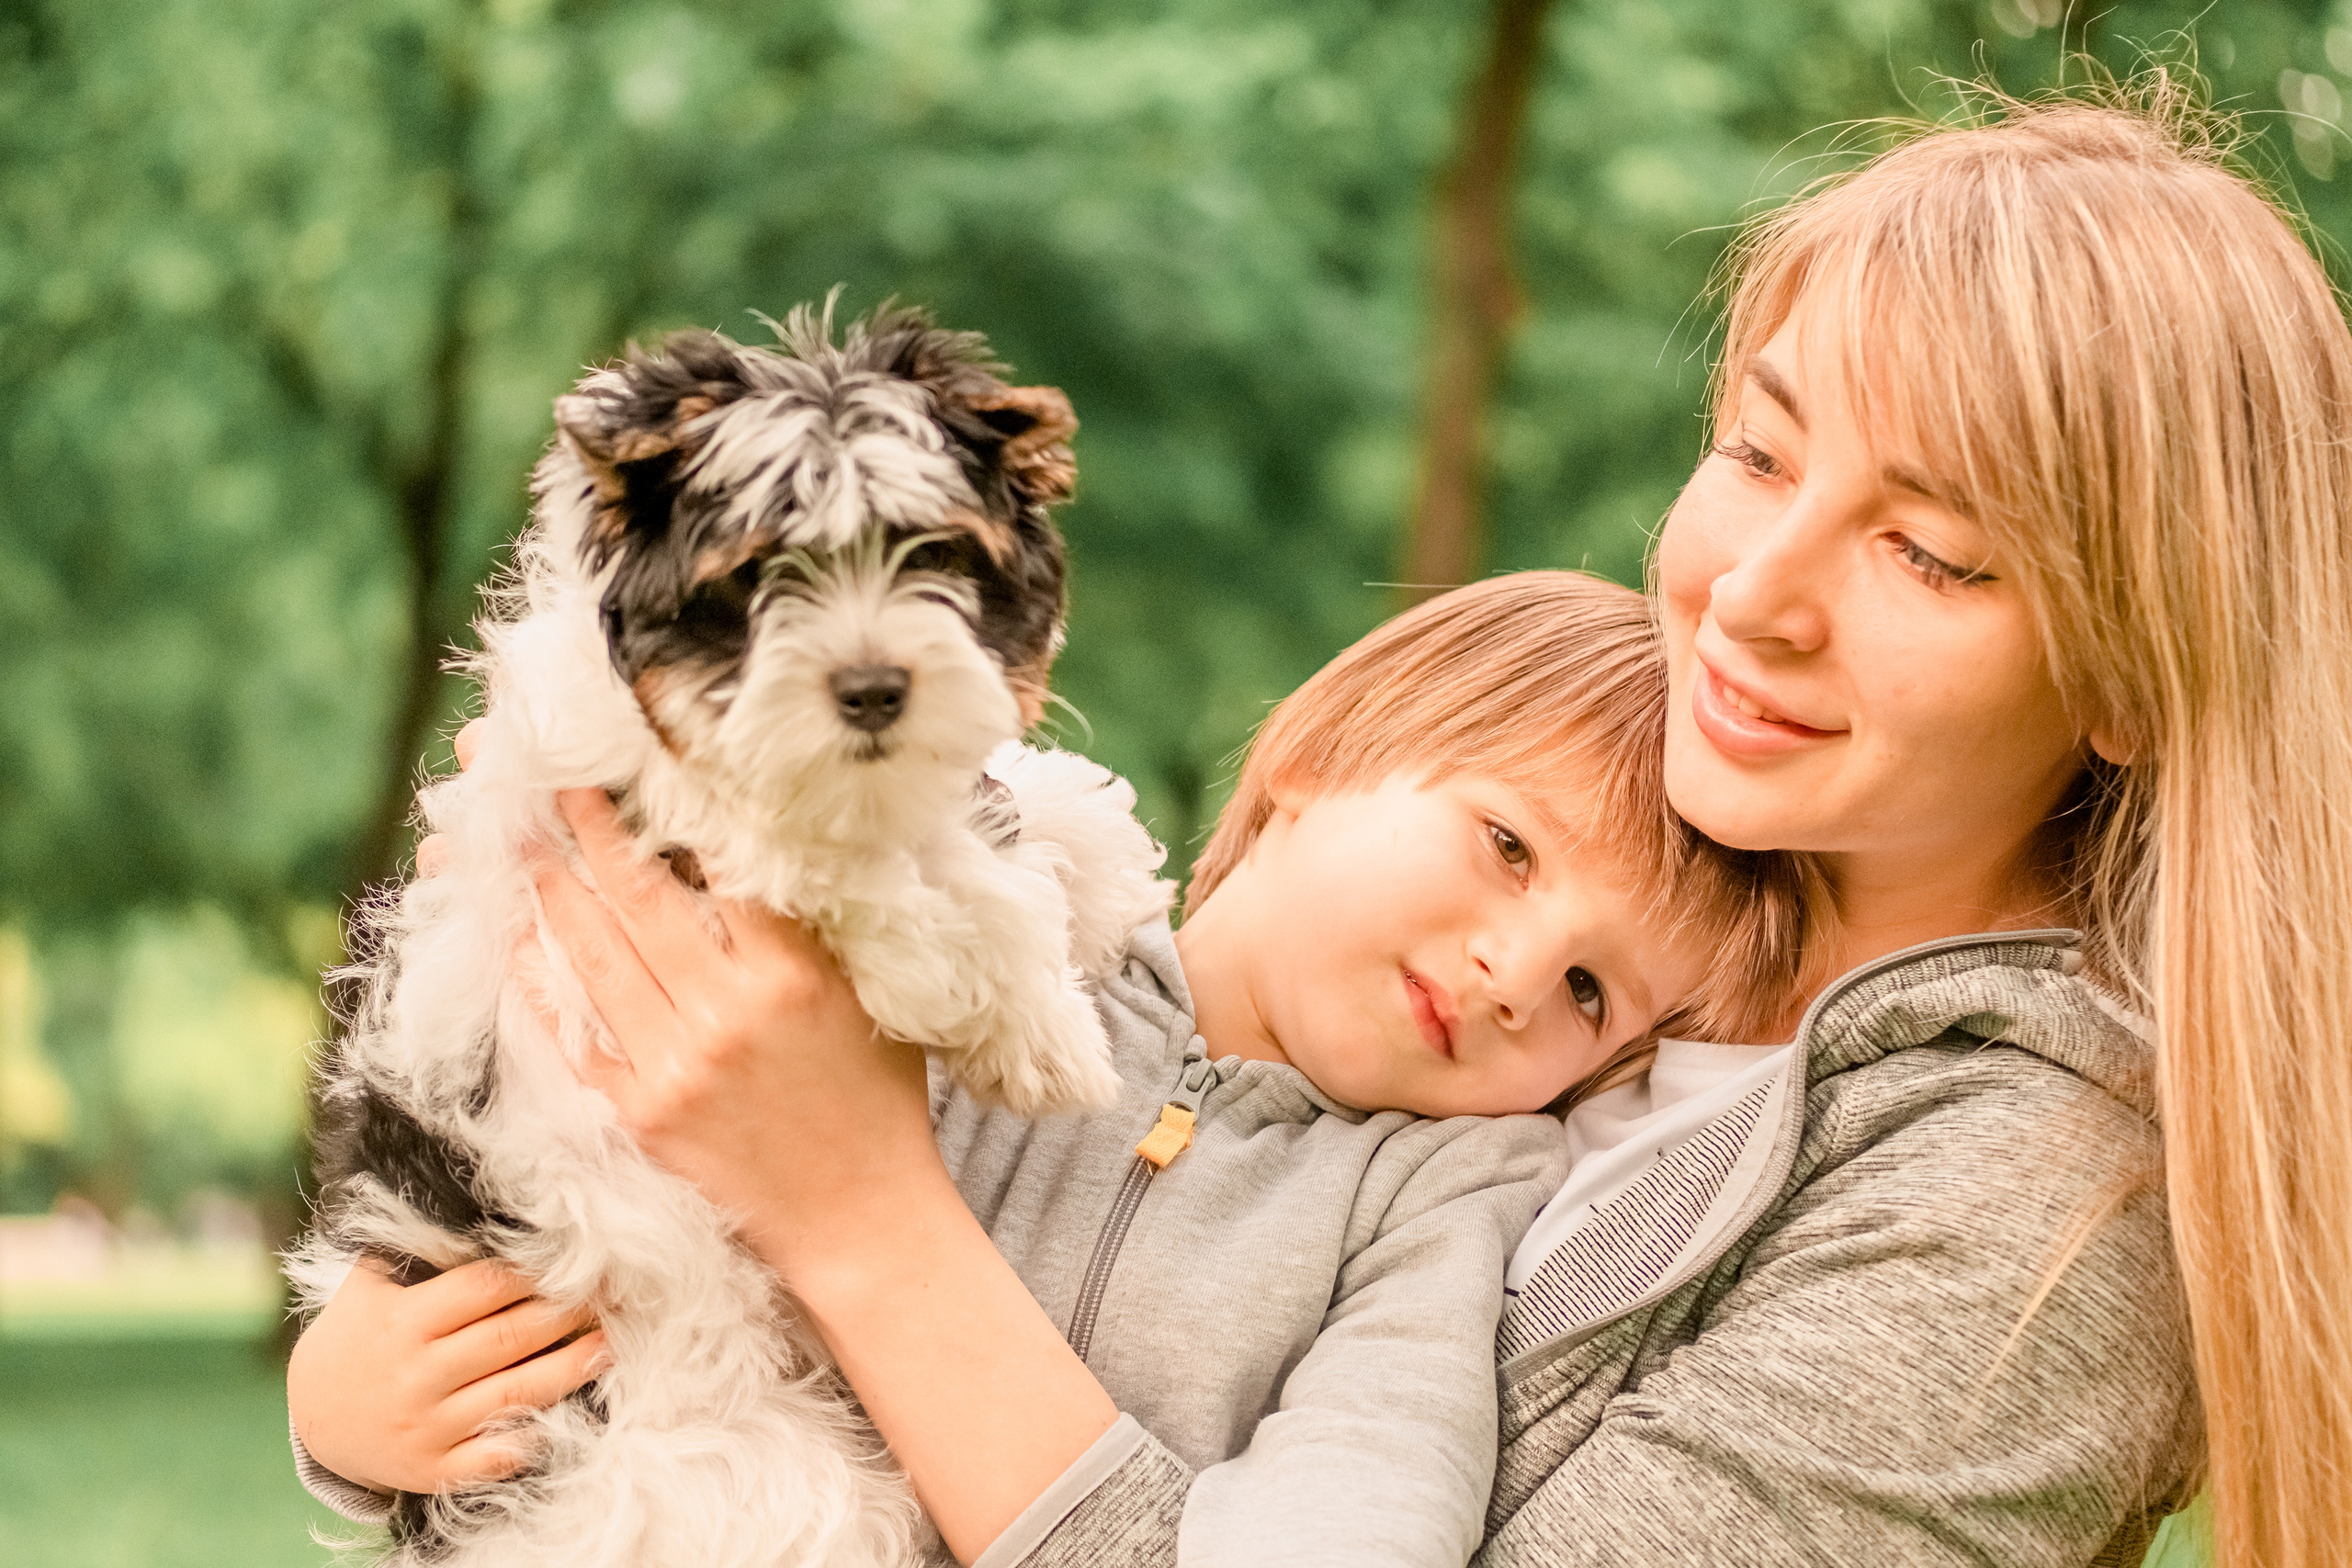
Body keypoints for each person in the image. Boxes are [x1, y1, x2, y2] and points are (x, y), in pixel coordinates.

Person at [294, 73, 2352, 1568]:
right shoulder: (1620, 843)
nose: (1751, 586)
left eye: (1930, 555)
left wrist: (851, 1203)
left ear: (2124, 671)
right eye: (1756, 448)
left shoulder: (2032, 1216)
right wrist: (379, 1403)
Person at [288, 572, 1804, 1566]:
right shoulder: (966, 931)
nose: (1518, 974)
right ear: (1317, 757)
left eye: (1595, 991)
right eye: (1507, 845)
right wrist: (347, 1416)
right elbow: (547, 1158)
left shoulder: (1432, 1208)